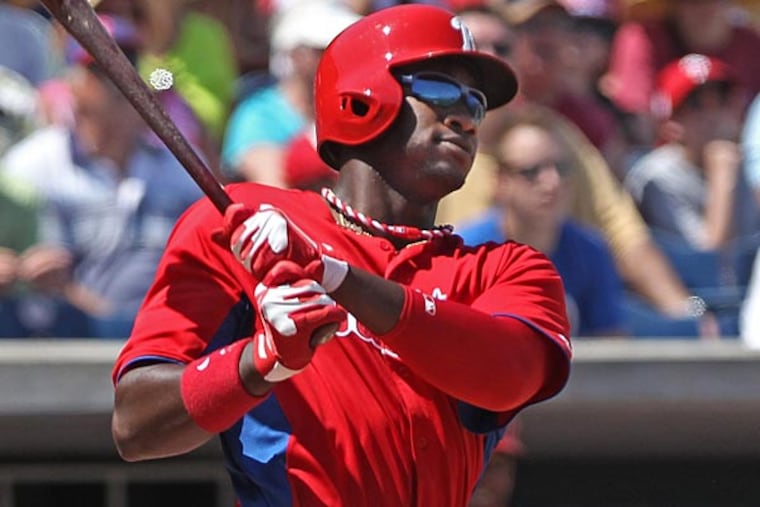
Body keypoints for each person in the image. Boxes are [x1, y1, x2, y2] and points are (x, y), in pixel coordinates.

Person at [111, 5, 572, 506]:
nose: (463, 117)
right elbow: (137, 427)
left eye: (475, 103)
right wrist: (256, 363)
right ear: (360, 100)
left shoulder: (505, 269)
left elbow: (508, 374)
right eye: (439, 92)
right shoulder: (243, 221)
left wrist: (334, 275)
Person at [0, 14, 203, 338]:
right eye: (98, 70)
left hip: (172, 338)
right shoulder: (31, 166)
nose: (117, 80)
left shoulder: (181, 164)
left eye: (126, 63)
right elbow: (28, 278)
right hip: (70, 343)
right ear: (72, 83)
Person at [459, 105, 627, 337]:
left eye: (561, 168)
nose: (552, 182)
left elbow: (611, 348)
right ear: (501, 182)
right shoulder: (465, 253)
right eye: (531, 172)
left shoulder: (591, 252)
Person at [221, 2, 360, 187]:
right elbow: (272, 188)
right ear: (296, 55)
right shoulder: (258, 115)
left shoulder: (349, 108)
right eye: (322, 49)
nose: (336, 56)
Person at [624, 54, 750, 251]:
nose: (713, 115)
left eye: (722, 100)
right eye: (696, 105)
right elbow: (709, 260)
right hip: (690, 282)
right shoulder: (655, 177)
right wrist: (722, 174)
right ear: (671, 124)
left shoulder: (751, 163)